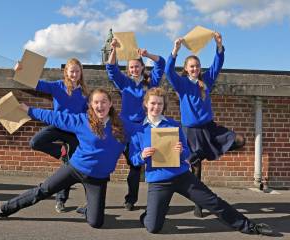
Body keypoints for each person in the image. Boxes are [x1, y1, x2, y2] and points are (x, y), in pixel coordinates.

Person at [0, 88, 135, 228]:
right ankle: (1, 210)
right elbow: (56, 117)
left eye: (103, 102)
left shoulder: (123, 125)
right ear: (91, 104)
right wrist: (30, 110)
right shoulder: (82, 120)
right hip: (75, 168)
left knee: (96, 222)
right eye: (96, 102)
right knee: (42, 191)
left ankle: (89, 209)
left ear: (110, 104)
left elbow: (144, 130)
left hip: (98, 178)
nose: (100, 106)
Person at [129, 87, 273, 236]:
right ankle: (149, 215)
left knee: (214, 203)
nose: (156, 107)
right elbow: (133, 159)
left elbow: (186, 151)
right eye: (153, 103)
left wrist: (181, 151)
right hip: (158, 181)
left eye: (160, 104)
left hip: (182, 176)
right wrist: (142, 155)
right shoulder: (138, 130)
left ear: (164, 106)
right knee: (153, 227)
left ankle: (250, 227)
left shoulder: (174, 125)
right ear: (146, 104)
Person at [165, 32, 245, 218]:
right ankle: (198, 204)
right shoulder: (181, 83)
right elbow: (168, 71)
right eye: (192, 66)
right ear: (186, 68)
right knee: (196, 167)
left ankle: (212, 149)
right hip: (191, 131)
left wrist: (218, 46)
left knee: (240, 140)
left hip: (209, 128)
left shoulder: (206, 81)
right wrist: (175, 50)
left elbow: (217, 65)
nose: (195, 69)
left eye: (197, 66)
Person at [14, 58, 88, 213]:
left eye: (77, 71)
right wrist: (21, 71)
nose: (74, 74)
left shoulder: (85, 93)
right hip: (57, 125)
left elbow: (88, 114)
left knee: (69, 166)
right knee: (35, 141)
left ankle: (61, 200)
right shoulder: (58, 86)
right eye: (71, 71)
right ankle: (62, 150)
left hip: (74, 132)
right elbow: (37, 84)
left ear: (81, 72)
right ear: (66, 72)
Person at [106, 38, 165, 211]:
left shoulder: (151, 83)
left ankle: (131, 199)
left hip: (141, 129)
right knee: (109, 157)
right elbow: (111, 68)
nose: (134, 69)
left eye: (137, 66)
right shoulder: (124, 82)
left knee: (135, 165)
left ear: (142, 67)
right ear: (129, 69)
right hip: (123, 128)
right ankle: (95, 195)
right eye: (131, 67)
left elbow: (161, 63)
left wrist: (147, 54)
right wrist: (114, 49)